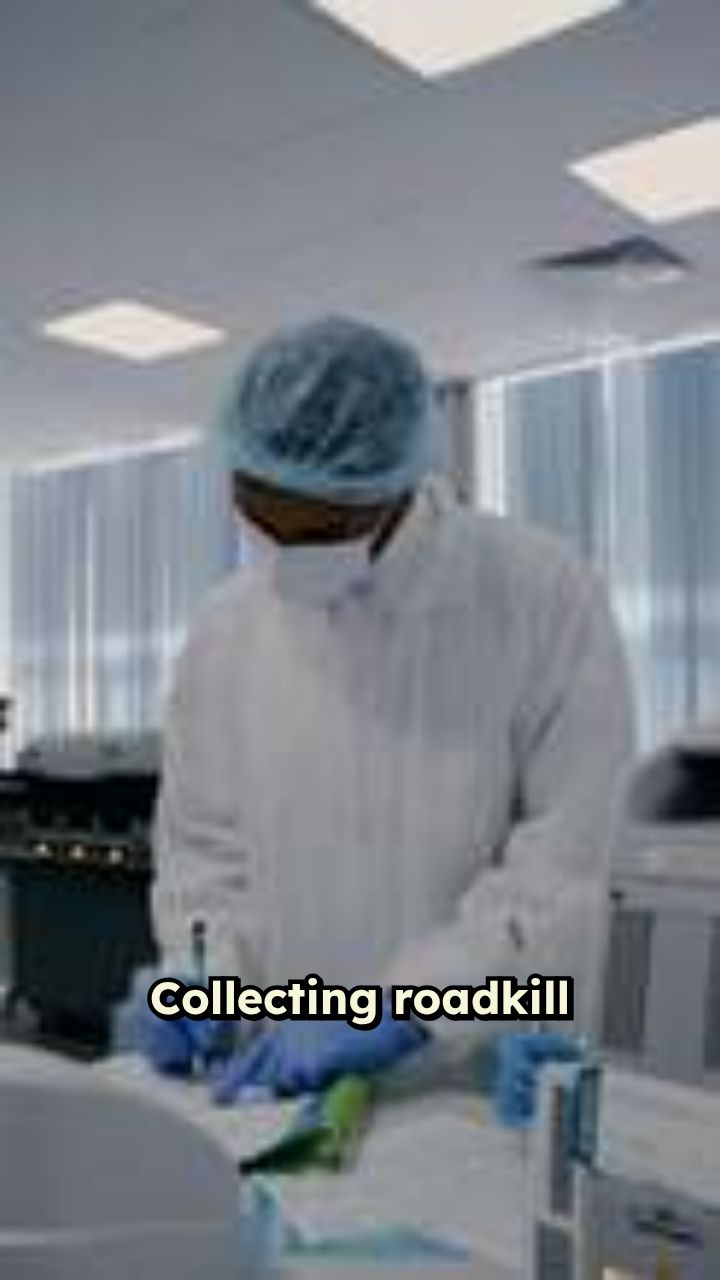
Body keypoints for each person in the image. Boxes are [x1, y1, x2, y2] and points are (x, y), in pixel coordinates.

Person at [142, 315, 634, 1115]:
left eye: (315, 530)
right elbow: (204, 850)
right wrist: (202, 976)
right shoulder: (227, 629)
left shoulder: (538, 594)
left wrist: (405, 1012)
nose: (282, 557)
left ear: (389, 488)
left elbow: (567, 867)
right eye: (258, 518)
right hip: (271, 1079)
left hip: (460, 1080)